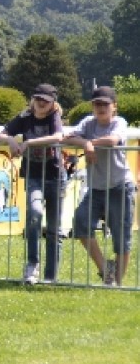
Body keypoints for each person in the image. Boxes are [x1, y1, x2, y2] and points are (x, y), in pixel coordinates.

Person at [63, 86, 136, 286]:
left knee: (121, 237)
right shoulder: (88, 122)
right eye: (97, 104)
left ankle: (117, 285)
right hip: (95, 188)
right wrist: (85, 144)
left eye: (105, 104)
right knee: (81, 223)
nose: (101, 108)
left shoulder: (119, 122)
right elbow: (67, 137)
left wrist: (89, 143)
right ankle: (106, 270)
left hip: (120, 186)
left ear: (114, 107)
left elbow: (112, 140)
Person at [0, 84, 67, 284]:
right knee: (34, 214)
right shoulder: (25, 116)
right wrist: (11, 140)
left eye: (46, 100)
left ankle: (50, 276)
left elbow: (58, 136)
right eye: (38, 98)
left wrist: (28, 143)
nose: (41, 103)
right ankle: (32, 265)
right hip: (33, 175)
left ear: (53, 103)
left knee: (53, 229)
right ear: (33, 99)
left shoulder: (54, 117)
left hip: (55, 176)